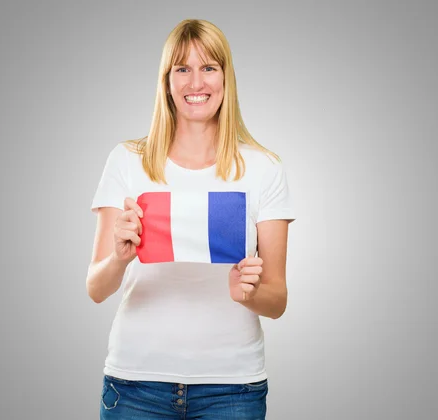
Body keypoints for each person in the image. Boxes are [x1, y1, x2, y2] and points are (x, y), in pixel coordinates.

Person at [86, 18, 296, 420]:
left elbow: (278, 301)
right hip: (134, 384)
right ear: (166, 81)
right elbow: (96, 289)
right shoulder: (127, 160)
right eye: (182, 68)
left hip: (232, 388)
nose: (194, 82)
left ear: (225, 78)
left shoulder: (265, 168)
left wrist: (249, 293)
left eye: (208, 68)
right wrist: (119, 257)